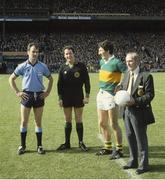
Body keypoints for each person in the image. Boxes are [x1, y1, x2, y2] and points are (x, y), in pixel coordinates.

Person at [9, 42, 53, 155]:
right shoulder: (22, 66)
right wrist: (18, 92)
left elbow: (51, 79)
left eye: (37, 52)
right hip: (26, 95)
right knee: (24, 121)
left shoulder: (42, 66)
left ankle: (39, 146)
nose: (35, 53)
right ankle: (22, 146)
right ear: (28, 52)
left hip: (39, 95)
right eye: (33, 51)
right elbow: (11, 79)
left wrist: (47, 92)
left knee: (38, 122)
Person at [119, 52, 155, 174]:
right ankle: (133, 160)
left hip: (139, 111)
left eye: (130, 61)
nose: (127, 63)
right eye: (126, 61)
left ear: (137, 61)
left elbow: (150, 95)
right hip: (127, 111)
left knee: (141, 138)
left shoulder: (146, 76)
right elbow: (124, 90)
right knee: (129, 136)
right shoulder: (126, 74)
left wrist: (135, 101)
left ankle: (144, 164)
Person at [96, 40, 127, 159]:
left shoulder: (117, 62)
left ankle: (119, 150)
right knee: (102, 123)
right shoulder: (101, 61)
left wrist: (121, 85)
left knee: (113, 124)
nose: (99, 51)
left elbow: (128, 73)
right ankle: (108, 147)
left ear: (107, 50)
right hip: (101, 94)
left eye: (100, 49)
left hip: (111, 96)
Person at [57, 45, 90, 151]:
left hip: (78, 96)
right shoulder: (63, 67)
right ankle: (67, 143)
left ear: (73, 53)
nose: (68, 55)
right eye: (66, 53)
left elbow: (87, 82)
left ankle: (81, 142)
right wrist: (60, 98)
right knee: (68, 120)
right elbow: (59, 84)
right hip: (66, 97)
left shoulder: (81, 66)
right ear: (64, 55)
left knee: (79, 119)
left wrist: (87, 96)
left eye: (70, 53)